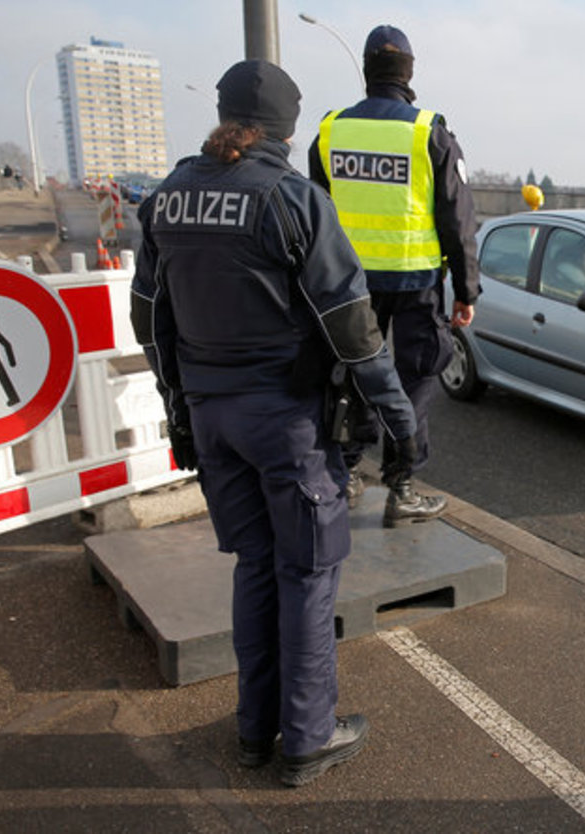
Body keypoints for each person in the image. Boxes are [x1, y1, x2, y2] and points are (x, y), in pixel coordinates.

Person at [131, 60, 420, 788]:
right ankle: (308, 737)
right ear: (287, 132)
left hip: (211, 416)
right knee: (308, 573)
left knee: (255, 566)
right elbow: (352, 330)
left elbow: (150, 319)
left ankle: (255, 731)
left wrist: (180, 410)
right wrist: (399, 421)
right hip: (287, 426)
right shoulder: (292, 199)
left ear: (225, 116)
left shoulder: (168, 199)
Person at [308, 24, 481, 528]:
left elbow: (314, 215)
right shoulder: (429, 133)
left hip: (347, 285)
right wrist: (466, 290)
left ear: (366, 71)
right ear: (408, 73)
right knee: (418, 376)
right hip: (415, 282)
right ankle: (401, 483)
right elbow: (457, 219)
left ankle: (349, 468)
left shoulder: (331, 130)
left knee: (353, 373)